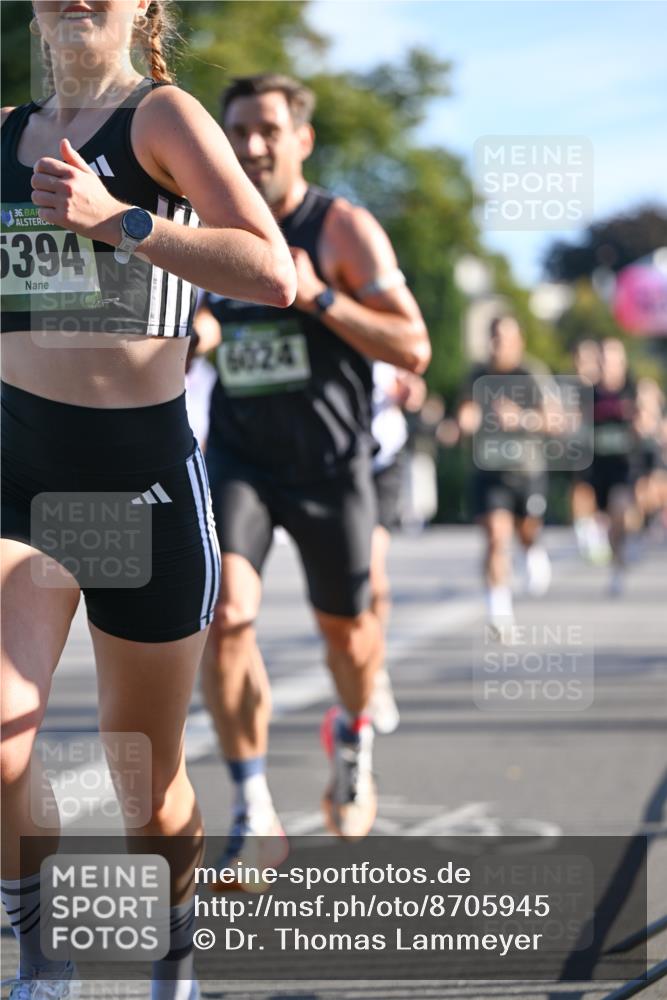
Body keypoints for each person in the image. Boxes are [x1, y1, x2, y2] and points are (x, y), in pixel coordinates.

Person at [1, 4, 295, 999]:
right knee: (0, 737)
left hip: (143, 487)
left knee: (145, 783)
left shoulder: (160, 119)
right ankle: (43, 962)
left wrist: (116, 222)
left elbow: (272, 269)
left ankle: (174, 959)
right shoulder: (3, 133)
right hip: (17, 478)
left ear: (142, 9)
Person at [194, 73, 430, 854]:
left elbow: (413, 346)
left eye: (266, 128)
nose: (251, 144)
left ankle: (354, 737)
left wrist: (317, 296)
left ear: (301, 139)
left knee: (351, 637)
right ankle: (251, 805)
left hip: (331, 464)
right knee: (226, 613)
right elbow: (198, 326)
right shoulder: (206, 224)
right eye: (237, 130)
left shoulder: (341, 227)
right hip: (241, 459)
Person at [457, 316, 556, 640]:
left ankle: (532, 550)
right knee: (496, 537)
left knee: (526, 530)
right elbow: (465, 411)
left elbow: (555, 420)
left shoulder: (531, 373)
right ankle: (499, 612)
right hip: (489, 471)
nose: (498, 345)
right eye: (494, 338)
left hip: (526, 470)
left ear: (519, 341)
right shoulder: (477, 374)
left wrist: (521, 418)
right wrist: (465, 421)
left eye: (505, 338)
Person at [367, 363, 427, 734]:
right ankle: (356, 665)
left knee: (372, 575)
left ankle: (376, 670)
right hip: (326, 459)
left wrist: (409, 390)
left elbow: (414, 380)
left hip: (380, 460)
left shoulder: (381, 305)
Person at [583, 339, 640, 595]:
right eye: (603, 359)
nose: (607, 365)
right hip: (597, 466)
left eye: (612, 359)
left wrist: (640, 419)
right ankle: (616, 560)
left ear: (622, 363)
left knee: (621, 512)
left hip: (624, 465)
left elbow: (646, 421)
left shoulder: (632, 390)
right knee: (608, 524)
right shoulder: (590, 393)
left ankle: (619, 565)